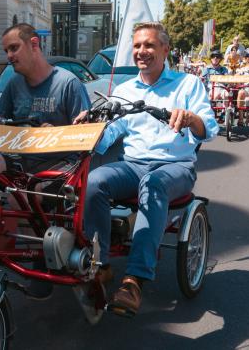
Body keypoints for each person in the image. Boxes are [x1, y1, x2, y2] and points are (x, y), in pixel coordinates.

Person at [77, 22, 219, 317]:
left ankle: (134, 281)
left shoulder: (188, 85)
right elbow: (108, 135)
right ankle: (100, 264)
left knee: (153, 184)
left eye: (150, 45)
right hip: (132, 165)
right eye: (138, 45)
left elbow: (209, 129)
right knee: (93, 182)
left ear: (165, 50)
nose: (142, 51)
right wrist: (90, 126)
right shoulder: (125, 90)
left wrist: (191, 118)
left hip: (175, 167)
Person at [0, 23, 91, 298]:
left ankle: (41, 259)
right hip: (26, 165)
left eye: (13, 48)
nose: (9, 55)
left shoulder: (67, 83)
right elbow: (0, 118)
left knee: (20, 195)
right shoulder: (14, 85)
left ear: (34, 44)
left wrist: (56, 134)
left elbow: (87, 136)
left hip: (63, 169)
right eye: (6, 50)